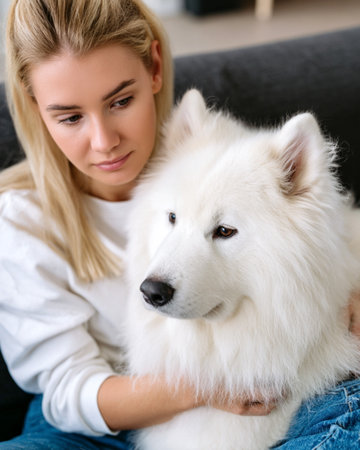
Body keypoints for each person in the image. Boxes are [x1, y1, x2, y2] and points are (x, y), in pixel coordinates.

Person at [0, 1, 359, 449]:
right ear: (35, 105)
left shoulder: (206, 156)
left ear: (153, 67)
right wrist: (206, 387)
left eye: (120, 101)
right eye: (71, 116)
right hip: (97, 420)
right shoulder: (23, 222)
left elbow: (315, 233)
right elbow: (66, 391)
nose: (104, 141)